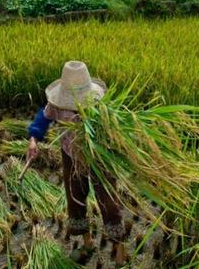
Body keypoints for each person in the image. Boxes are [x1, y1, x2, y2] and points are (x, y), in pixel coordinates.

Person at [27, 61, 127, 266]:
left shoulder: (99, 104)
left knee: (108, 199)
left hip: (99, 155)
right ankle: (88, 242)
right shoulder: (56, 104)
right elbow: (42, 119)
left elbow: (116, 128)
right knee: (75, 196)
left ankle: (119, 246)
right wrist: (33, 140)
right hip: (71, 155)